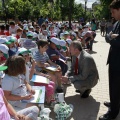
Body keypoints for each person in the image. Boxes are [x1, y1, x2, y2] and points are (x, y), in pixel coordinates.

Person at [99, 1, 120, 120]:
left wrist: (111, 38)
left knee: (115, 87)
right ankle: (114, 103)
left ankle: (113, 112)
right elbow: (108, 35)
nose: (112, 15)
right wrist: (111, 37)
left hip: (118, 63)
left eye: (113, 12)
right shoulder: (117, 23)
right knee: (114, 86)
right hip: (113, 60)